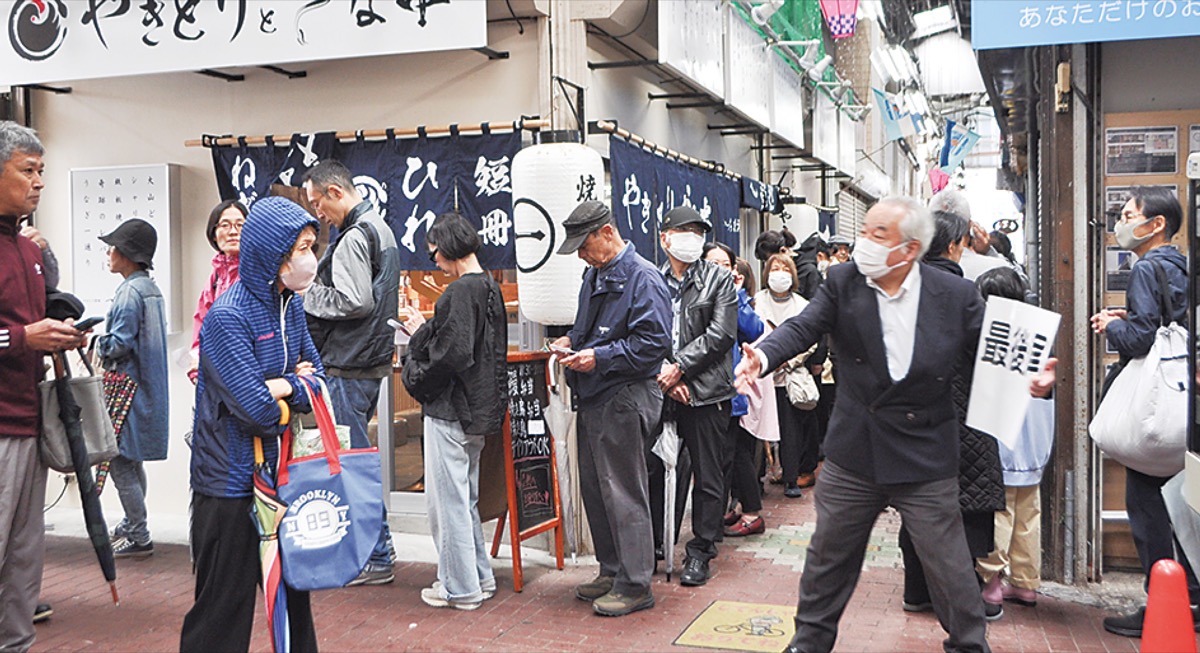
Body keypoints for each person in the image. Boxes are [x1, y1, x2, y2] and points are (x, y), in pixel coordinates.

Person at [736, 197, 1056, 653]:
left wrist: (1034, 377)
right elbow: (804, 327)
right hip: (855, 452)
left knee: (949, 566)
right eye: (864, 231)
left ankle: (969, 644)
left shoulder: (955, 295)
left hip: (925, 453)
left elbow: (998, 349)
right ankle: (809, 643)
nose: (864, 242)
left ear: (909, 249)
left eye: (878, 234)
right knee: (828, 560)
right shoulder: (843, 282)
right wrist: (763, 357)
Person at [180, 196, 323, 653]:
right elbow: (255, 410)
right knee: (223, 608)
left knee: (294, 600)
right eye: (302, 248)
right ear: (273, 252)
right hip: (228, 482)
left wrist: (281, 387)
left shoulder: (290, 306)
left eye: (312, 246)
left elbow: (319, 382)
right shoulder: (227, 316)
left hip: (280, 476)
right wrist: (291, 386)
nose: (310, 258)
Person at [551, 200, 671, 617]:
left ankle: (636, 584)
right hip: (595, 395)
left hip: (625, 395)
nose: (581, 256)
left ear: (606, 232)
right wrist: (571, 341)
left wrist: (598, 357)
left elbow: (653, 345)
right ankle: (612, 569)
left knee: (623, 491)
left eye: (584, 246)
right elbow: (586, 329)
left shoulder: (644, 277)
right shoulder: (594, 275)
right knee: (598, 491)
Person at [1090, 185, 1198, 638]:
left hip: (1156, 406)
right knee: (1185, 504)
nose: (1121, 223)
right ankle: (1191, 594)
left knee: (1147, 505)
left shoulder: (1146, 267)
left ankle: (1164, 603)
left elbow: (1140, 339)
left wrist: (1111, 325)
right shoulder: (1184, 266)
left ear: (1156, 225)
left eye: (1129, 215)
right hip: (1185, 401)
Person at [0, 120, 88, 653]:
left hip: (31, 421)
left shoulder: (31, 252)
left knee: (24, 558)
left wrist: (58, 335)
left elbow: (31, 328)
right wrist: (22, 337)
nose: (39, 182)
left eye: (42, 171)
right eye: (27, 170)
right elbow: (18, 333)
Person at [897, 209, 1005, 620]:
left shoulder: (900, 292)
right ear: (956, 245)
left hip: (912, 418)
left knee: (916, 501)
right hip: (966, 416)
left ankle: (916, 589)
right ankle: (963, 599)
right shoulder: (964, 294)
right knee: (966, 507)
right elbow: (992, 355)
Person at [400, 212, 509, 612]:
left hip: (451, 408)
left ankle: (459, 588)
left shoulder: (460, 291)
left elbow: (452, 353)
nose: (434, 261)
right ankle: (478, 577)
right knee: (464, 500)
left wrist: (417, 358)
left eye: (434, 254)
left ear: (446, 248)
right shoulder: (490, 286)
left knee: (448, 505)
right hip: (478, 409)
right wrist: (425, 331)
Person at [302, 160, 401, 585]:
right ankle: (376, 552)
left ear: (335, 193)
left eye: (317, 202)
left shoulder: (356, 236)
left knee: (351, 463)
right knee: (354, 459)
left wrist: (307, 295)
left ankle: (376, 556)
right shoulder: (380, 228)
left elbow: (355, 300)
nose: (317, 213)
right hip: (367, 360)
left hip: (349, 362)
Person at [653, 206, 736, 587]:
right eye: (683, 230)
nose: (692, 238)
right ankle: (657, 542)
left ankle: (700, 551)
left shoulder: (718, 279)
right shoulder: (652, 280)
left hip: (706, 392)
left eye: (698, 231)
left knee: (708, 475)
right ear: (665, 237)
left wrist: (681, 368)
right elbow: (645, 330)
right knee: (654, 468)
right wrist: (667, 375)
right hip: (661, 388)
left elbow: (721, 335)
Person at [975, 267, 1054, 611]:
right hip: (1035, 442)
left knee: (999, 515)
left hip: (1002, 443)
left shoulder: (993, 337)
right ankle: (1025, 584)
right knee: (1028, 515)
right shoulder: (1038, 332)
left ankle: (991, 581)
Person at [94, 218, 169, 558]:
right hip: (146, 389)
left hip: (126, 390)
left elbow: (119, 344)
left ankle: (139, 534)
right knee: (133, 461)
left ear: (126, 253)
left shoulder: (128, 292)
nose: (108, 253)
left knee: (120, 461)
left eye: (113, 247)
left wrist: (94, 340)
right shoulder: (150, 289)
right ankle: (132, 523)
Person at [701, 243, 766, 537]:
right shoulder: (694, 294)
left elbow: (754, 330)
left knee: (732, 456)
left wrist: (737, 295)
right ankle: (721, 515)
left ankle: (729, 517)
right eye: (712, 263)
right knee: (713, 462)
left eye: (724, 265)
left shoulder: (737, 299)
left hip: (729, 393)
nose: (718, 269)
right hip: (699, 392)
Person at [754, 253, 820, 498]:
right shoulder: (756, 301)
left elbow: (811, 339)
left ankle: (790, 477)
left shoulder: (802, 305)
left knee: (790, 431)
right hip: (761, 376)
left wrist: (788, 360)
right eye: (774, 268)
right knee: (757, 431)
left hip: (789, 376)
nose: (779, 273)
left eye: (784, 268)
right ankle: (756, 479)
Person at [188, 199, 246, 383]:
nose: (233, 232)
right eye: (225, 225)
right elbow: (201, 323)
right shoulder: (215, 278)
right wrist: (197, 364)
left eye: (240, 225)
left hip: (247, 375)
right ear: (213, 234)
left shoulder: (256, 272)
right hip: (216, 376)